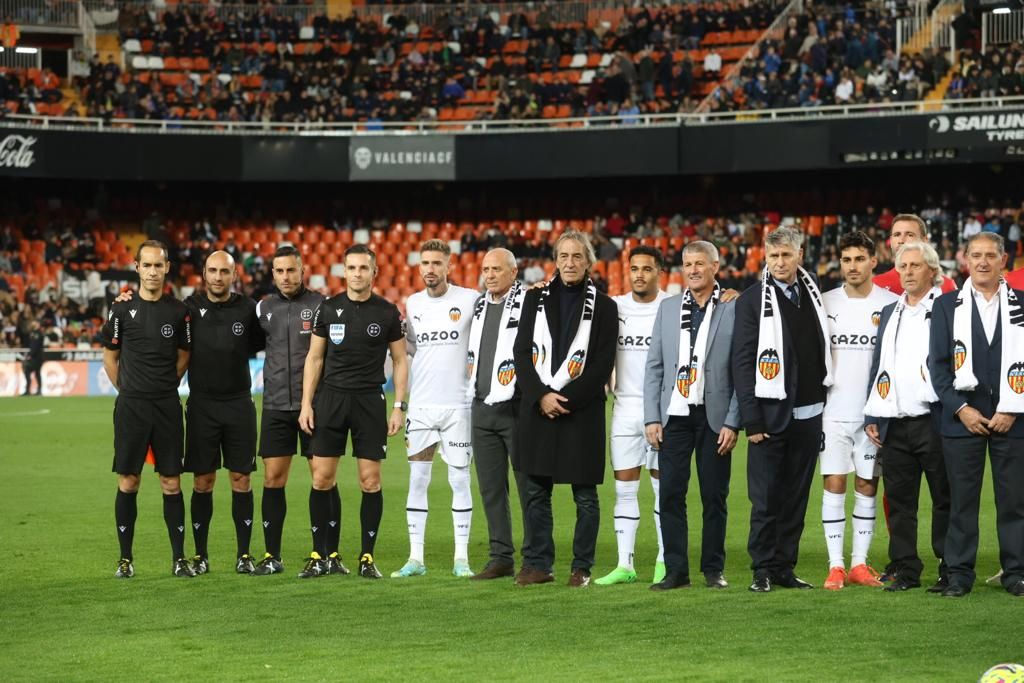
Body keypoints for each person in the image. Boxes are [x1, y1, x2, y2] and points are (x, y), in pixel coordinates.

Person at [511, 230, 617, 588]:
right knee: (535, 491)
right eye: (563, 256)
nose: (569, 263)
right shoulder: (534, 299)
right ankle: (539, 565)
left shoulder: (605, 306)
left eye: (576, 256)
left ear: (588, 261)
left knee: (585, 496)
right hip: (538, 408)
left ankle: (581, 567)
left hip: (581, 412)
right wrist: (541, 395)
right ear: (554, 260)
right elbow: (521, 353)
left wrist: (565, 400)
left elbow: (602, 364)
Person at [732, 226, 833, 592]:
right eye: (773, 256)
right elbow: (741, 363)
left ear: (800, 255)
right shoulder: (751, 300)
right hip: (768, 418)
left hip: (809, 414)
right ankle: (761, 568)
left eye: (786, 255)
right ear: (765, 257)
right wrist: (751, 418)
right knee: (765, 499)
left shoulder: (814, 294)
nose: (779, 262)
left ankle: (784, 567)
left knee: (795, 497)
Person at [298, 245, 408, 580]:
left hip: (369, 402)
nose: (357, 273)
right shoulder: (327, 309)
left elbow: (401, 361)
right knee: (322, 478)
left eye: (364, 268)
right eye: (352, 267)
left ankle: (366, 558)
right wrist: (306, 403)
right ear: (343, 272)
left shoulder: (388, 313)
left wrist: (399, 406)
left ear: (375, 272)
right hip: (330, 400)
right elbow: (314, 358)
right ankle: (320, 555)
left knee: (370, 481)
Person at [929, 232, 1024, 598]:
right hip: (961, 421)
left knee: (1014, 502)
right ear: (965, 259)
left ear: (1004, 261)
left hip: (1013, 420)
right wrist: (962, 409)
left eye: (990, 255)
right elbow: (937, 367)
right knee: (961, 502)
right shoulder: (946, 305)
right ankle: (959, 575)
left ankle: (1015, 573)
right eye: (976, 255)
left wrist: (1012, 408)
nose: (983, 262)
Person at [644, 241, 740, 591]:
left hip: (716, 418)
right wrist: (651, 417)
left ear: (716, 265)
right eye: (688, 264)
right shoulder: (668, 308)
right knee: (670, 494)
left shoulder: (734, 306)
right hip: (675, 416)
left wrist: (733, 420)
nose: (694, 270)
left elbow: (740, 371)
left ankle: (713, 570)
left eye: (701, 263)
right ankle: (676, 572)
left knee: (714, 496)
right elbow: (654, 366)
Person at [102, 240, 192, 578]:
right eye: (147, 265)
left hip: (167, 405)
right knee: (129, 480)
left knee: (171, 481)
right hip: (132, 407)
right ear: (137, 267)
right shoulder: (121, 310)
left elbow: (184, 354)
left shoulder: (178, 311)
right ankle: (125, 559)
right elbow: (109, 357)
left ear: (167, 268)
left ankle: (179, 558)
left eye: (159, 265)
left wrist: (169, 382)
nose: (153, 271)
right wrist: (127, 390)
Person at [865, 241, 951, 593]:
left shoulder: (948, 308)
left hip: (936, 419)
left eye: (916, 266)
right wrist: (872, 411)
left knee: (946, 498)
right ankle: (906, 570)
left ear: (932, 271)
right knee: (900, 503)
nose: (909, 272)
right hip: (894, 420)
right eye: (904, 267)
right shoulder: (890, 311)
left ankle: (951, 567)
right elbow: (879, 364)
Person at [392, 240, 481, 579]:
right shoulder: (412, 303)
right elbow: (412, 346)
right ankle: (416, 558)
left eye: (436, 263)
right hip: (423, 407)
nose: (430, 268)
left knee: (460, 480)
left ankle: (462, 559)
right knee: (418, 479)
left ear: (449, 265)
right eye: (425, 263)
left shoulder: (469, 299)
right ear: (419, 267)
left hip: (459, 405)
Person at [819, 231, 898, 590]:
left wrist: (881, 413)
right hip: (832, 411)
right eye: (846, 259)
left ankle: (859, 564)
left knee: (867, 485)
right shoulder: (825, 303)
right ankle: (835, 566)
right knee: (834, 485)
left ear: (873, 262)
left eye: (859, 259)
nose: (852, 266)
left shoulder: (890, 304)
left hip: (872, 416)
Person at [182, 252, 266, 574]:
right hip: (202, 405)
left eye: (224, 271)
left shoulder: (248, 309)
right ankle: (201, 556)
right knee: (203, 481)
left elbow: (266, 339)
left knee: (241, 479)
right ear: (204, 273)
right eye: (213, 271)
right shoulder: (188, 309)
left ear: (235, 274)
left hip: (239, 404)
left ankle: (244, 555)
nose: (218, 277)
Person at [595, 246, 669, 586]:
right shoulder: (615, 307)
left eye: (647, 268)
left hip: (662, 412)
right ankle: (625, 564)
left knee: (662, 490)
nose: (640, 274)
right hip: (624, 410)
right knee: (624, 489)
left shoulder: (671, 307)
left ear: (659, 272)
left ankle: (664, 560)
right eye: (634, 268)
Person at [251, 245, 325, 576]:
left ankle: (323, 553)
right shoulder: (263, 308)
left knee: (322, 478)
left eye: (291, 270)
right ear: (273, 274)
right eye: (279, 271)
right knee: (272, 478)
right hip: (276, 406)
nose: (285, 277)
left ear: (302, 269)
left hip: (315, 407)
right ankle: (271, 555)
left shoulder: (322, 305)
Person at [465, 248, 532, 580]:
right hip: (481, 406)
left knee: (527, 485)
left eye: (496, 269)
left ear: (513, 272)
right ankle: (500, 556)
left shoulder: (531, 303)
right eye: (485, 269)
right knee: (491, 488)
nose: (489, 275)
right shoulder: (478, 304)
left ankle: (534, 557)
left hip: (516, 407)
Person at [873, 213, 957, 295]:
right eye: (897, 235)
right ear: (891, 241)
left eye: (909, 235)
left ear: (924, 241)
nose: (901, 240)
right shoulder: (876, 285)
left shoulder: (945, 286)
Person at [20, 319, 43, 395]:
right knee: (35, 372)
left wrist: (30, 355)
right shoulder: (33, 333)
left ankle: (32, 390)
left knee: (31, 371)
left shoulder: (38, 334)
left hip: (36, 357)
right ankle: (31, 390)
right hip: (36, 356)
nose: (33, 323)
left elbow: (35, 346)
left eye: (34, 322)